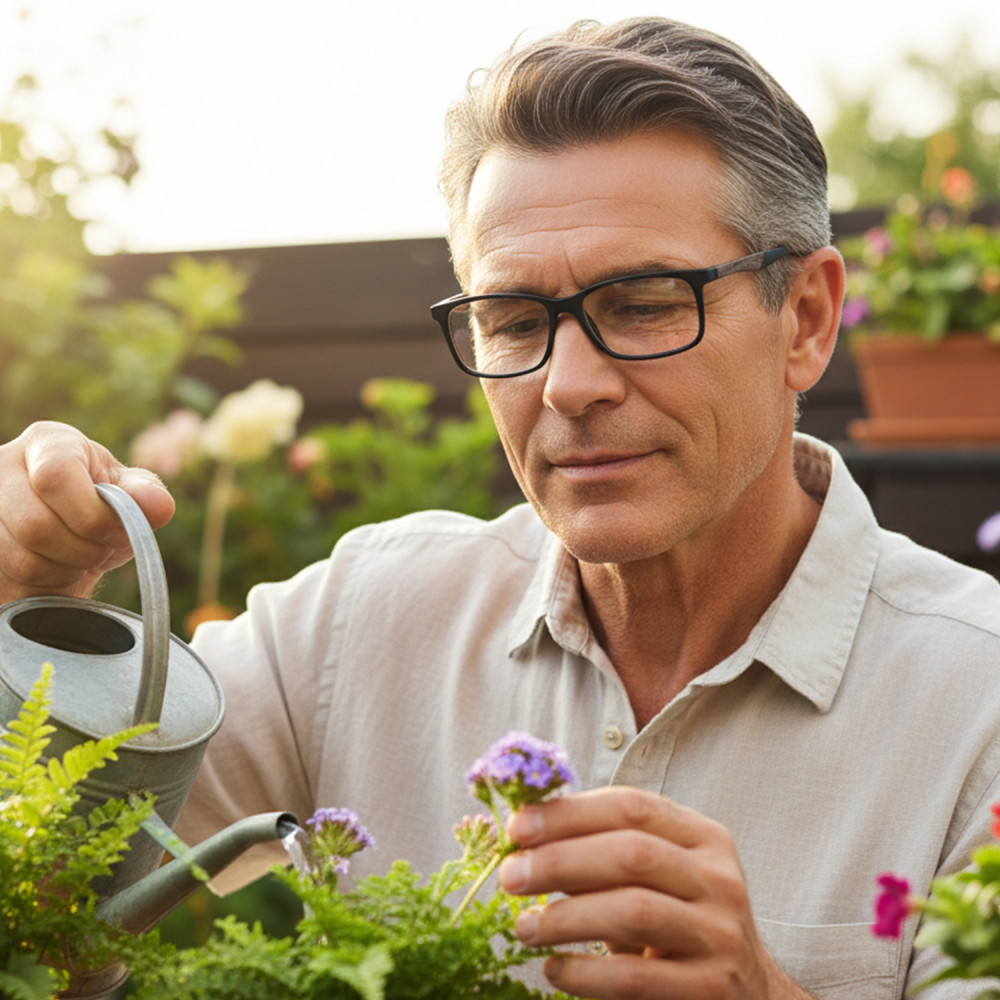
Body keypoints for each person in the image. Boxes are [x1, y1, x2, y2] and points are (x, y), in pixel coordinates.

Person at [1, 16, 999, 1000]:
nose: (568, 383)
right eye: (516, 320)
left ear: (808, 322)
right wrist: (24, 638)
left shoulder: (973, 700)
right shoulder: (363, 620)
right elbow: (53, 904)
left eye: (643, 302)